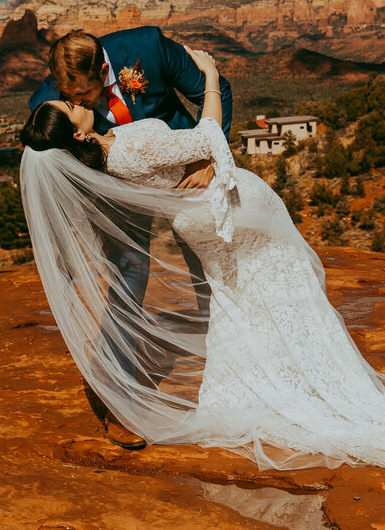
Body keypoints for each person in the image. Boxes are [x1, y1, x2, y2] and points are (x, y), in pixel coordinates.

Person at [19, 47, 385, 473]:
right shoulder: (133, 147)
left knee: (240, 304)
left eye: (70, 95)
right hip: (229, 211)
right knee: (289, 290)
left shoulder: (107, 159)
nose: (72, 100)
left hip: (201, 222)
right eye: (69, 104)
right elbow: (209, 132)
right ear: (77, 136)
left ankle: (253, 387)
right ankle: (319, 386)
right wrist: (210, 76)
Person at [27, 27, 232, 449]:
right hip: (116, 182)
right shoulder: (51, 100)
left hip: (183, 169)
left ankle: (230, 362)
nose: (78, 104)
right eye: (70, 99)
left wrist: (210, 159)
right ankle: (111, 392)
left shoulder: (149, 49)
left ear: (104, 70)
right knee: (130, 273)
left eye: (82, 95)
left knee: (207, 263)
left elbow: (217, 89)